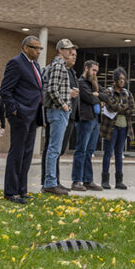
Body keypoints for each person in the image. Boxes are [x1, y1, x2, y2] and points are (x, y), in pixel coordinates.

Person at [0, 36, 45, 204]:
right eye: (35, 48)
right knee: (17, 153)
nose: (38, 51)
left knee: (27, 154)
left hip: (34, 114)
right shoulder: (16, 63)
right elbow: (5, 90)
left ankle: (22, 189)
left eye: (40, 49)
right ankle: (11, 191)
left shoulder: (35, 65)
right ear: (25, 48)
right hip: (21, 114)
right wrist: (14, 111)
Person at [42, 39, 79, 195]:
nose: (71, 52)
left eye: (72, 49)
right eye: (67, 49)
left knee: (55, 149)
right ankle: (50, 183)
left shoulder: (61, 66)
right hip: (58, 111)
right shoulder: (58, 66)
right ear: (60, 50)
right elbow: (51, 88)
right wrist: (64, 104)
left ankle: (53, 182)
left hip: (60, 111)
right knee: (54, 149)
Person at [99, 67, 135, 190]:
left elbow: (132, 109)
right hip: (111, 127)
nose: (122, 81)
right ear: (115, 79)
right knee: (108, 153)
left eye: (123, 79)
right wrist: (123, 108)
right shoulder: (108, 92)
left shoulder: (127, 93)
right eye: (120, 79)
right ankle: (105, 180)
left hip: (124, 127)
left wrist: (120, 107)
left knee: (119, 153)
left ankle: (119, 181)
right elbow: (110, 106)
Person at [71, 60, 103, 191]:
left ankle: (88, 180)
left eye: (96, 71)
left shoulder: (94, 84)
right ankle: (76, 180)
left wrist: (98, 95)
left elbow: (106, 94)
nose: (95, 73)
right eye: (93, 70)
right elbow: (90, 99)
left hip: (95, 120)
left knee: (90, 151)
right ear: (86, 68)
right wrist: (97, 97)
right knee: (81, 150)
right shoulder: (81, 83)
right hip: (85, 119)